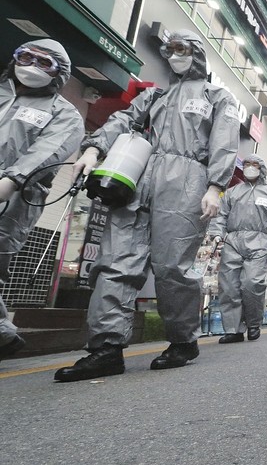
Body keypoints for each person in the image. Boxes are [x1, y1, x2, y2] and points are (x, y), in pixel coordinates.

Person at [55, 30, 239, 382]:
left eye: (181, 49)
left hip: (187, 182)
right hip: (139, 180)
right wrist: (94, 147)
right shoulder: (155, 96)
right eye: (168, 49)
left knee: (172, 266)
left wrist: (216, 186)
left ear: (197, 53)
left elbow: (225, 141)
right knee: (115, 262)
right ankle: (106, 348)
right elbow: (123, 120)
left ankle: (183, 339)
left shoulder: (218, 97)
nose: (173, 55)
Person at [0, 40, 84, 363]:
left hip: (17, 196)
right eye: (26, 57)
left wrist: (14, 179)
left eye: (44, 62)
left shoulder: (65, 114)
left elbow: (48, 150)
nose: (32, 65)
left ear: (58, 74)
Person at [207, 154, 267, 344]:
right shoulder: (232, 192)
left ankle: (254, 324)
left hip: (260, 241)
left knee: (252, 284)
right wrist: (217, 233)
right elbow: (221, 215)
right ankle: (233, 330)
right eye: (246, 164)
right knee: (229, 286)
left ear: (261, 168)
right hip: (233, 241)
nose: (250, 168)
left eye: (254, 164)